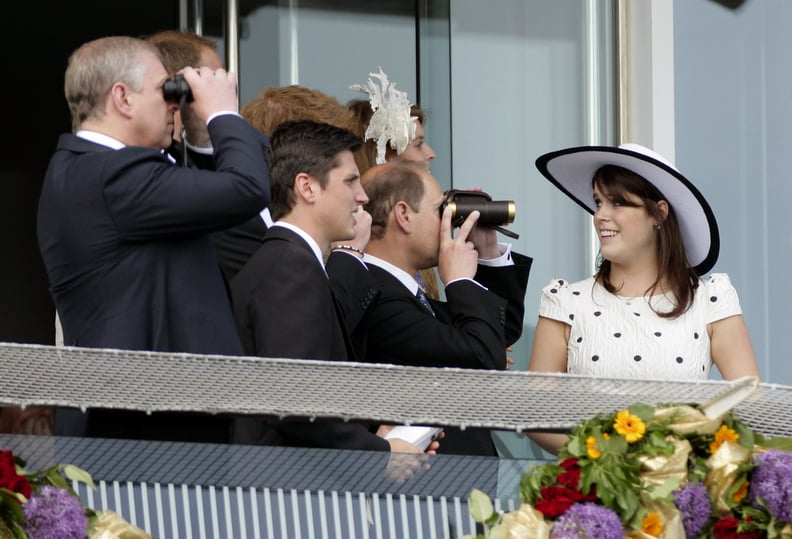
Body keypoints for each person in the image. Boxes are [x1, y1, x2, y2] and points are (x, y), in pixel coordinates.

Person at [36, 35, 270, 442]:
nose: (174, 104)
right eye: (166, 90)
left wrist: (202, 125)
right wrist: (222, 114)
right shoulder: (112, 177)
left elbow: (223, 196)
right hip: (142, 429)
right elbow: (247, 187)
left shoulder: (86, 171)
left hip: (148, 422)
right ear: (122, 98)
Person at [528, 142, 760, 453]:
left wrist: (692, 459)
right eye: (598, 202)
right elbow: (534, 414)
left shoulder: (711, 299)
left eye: (618, 204)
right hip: (593, 491)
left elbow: (751, 406)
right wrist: (603, 458)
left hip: (682, 492)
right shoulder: (567, 302)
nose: (600, 216)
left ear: (658, 213)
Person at [230, 119, 433, 456]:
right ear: (307, 187)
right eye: (350, 181)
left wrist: (379, 437)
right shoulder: (289, 269)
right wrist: (383, 455)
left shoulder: (290, 262)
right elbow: (299, 408)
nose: (362, 196)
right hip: (284, 493)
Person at [360, 160, 533, 456]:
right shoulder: (376, 295)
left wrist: (487, 251)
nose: (448, 221)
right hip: (428, 486)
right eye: (439, 209)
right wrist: (460, 281)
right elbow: (482, 357)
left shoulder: (404, 292)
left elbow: (498, 334)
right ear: (403, 215)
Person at [349, 68, 440, 300]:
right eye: (418, 144)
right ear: (386, 157)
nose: (431, 154)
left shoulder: (419, 231)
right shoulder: (353, 237)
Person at [143, 29, 224, 169]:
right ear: (179, 85)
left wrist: (202, 137)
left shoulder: (184, 157)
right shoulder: (130, 160)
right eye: (211, 80)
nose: (220, 91)